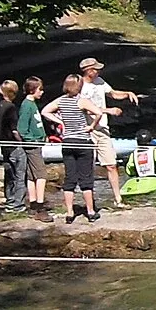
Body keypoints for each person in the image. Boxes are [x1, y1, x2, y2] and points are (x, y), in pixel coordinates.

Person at [77, 57, 140, 208]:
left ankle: (118, 200)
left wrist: (127, 93)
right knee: (87, 166)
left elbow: (112, 94)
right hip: (86, 129)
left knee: (111, 164)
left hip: (103, 129)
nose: (99, 71)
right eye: (96, 69)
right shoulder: (79, 86)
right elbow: (82, 107)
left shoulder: (100, 81)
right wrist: (108, 110)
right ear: (88, 71)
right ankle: (89, 202)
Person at [40, 74, 98, 222]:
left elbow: (45, 111)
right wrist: (91, 126)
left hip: (67, 141)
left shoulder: (61, 100)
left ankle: (70, 213)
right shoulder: (82, 101)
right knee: (86, 178)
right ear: (79, 86)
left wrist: (60, 121)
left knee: (70, 178)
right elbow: (98, 112)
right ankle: (90, 211)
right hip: (83, 142)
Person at [18, 76, 48, 210]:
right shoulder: (26, 106)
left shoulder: (32, 104)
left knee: (31, 175)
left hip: (37, 143)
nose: (42, 92)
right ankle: (40, 206)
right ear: (32, 90)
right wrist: (33, 140)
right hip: (33, 146)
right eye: (40, 89)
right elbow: (22, 129)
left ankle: (33, 203)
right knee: (41, 175)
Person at [0, 80, 24, 213]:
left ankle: (9, 201)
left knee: (8, 174)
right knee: (19, 175)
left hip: (3, 144)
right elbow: (14, 129)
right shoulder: (11, 108)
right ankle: (18, 205)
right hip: (13, 145)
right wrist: (22, 141)